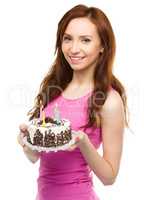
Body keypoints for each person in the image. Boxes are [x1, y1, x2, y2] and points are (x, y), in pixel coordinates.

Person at [17, 4, 127, 200]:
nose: (74, 49)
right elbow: (36, 158)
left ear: (102, 45)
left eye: (85, 40)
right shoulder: (53, 89)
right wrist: (28, 144)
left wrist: (83, 142)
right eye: (68, 39)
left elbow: (109, 177)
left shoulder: (108, 100)